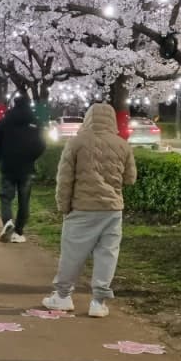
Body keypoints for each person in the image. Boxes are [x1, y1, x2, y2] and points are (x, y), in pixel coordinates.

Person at [43, 103, 137, 317]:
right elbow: (130, 179)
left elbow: (64, 180)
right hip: (112, 210)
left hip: (82, 208)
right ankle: (98, 302)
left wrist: (63, 206)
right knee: (107, 254)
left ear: (88, 118)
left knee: (72, 254)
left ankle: (63, 296)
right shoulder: (123, 145)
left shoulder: (76, 143)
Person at [0, 96, 46, 244]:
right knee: (24, 199)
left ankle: (8, 221)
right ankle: (19, 232)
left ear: (15, 104)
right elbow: (42, 144)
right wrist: (32, 157)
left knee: (5, 197)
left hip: (8, 165)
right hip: (27, 167)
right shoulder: (35, 122)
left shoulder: (5, 121)